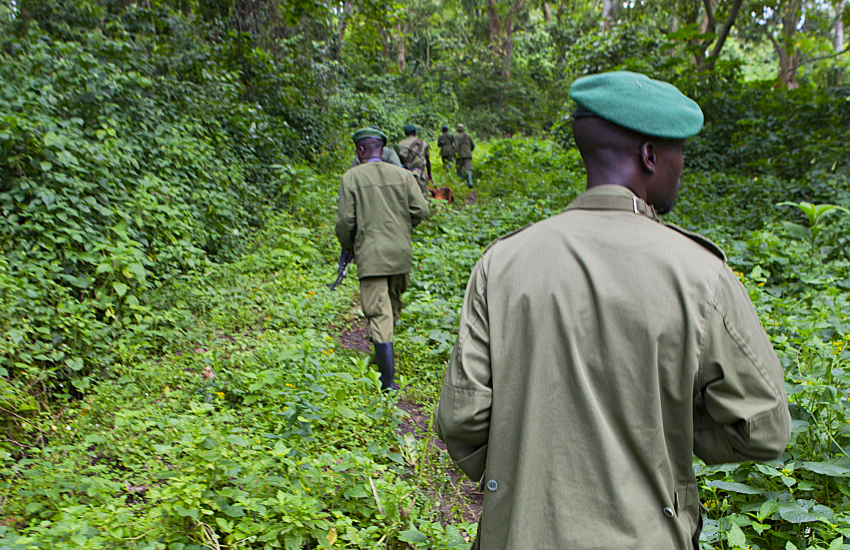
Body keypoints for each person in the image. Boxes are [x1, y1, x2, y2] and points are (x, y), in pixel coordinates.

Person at [434, 71, 791, 550]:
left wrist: (523, 472)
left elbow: (461, 420)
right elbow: (764, 429)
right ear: (649, 155)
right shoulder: (700, 276)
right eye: (677, 151)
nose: (680, 165)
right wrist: (672, 430)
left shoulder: (503, 264)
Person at [336, 128, 429, 391]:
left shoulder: (350, 178)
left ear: (360, 150)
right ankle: (380, 358)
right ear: (383, 150)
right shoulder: (403, 175)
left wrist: (349, 245)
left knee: (378, 312)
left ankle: (387, 385)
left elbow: (345, 221)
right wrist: (403, 229)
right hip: (400, 253)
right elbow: (421, 209)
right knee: (392, 305)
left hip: (372, 255)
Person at [397, 123, 432, 197]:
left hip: (406, 174)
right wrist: (429, 174)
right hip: (420, 174)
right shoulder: (423, 144)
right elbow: (427, 160)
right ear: (415, 132)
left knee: (407, 196)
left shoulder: (400, 145)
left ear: (405, 133)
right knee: (422, 197)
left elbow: (400, 162)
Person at [454, 123, 474, 188]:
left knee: (459, 169)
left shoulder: (456, 136)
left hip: (460, 155)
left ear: (457, 130)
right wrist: (469, 151)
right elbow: (472, 145)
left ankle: (462, 182)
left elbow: (456, 146)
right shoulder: (468, 136)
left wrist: (455, 154)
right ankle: (470, 182)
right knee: (469, 169)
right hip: (468, 154)